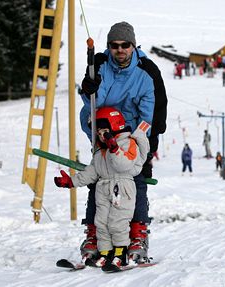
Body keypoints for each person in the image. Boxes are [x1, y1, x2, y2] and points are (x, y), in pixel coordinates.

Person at [79, 21, 167, 264]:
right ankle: (94, 234)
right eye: (114, 45)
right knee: (99, 180)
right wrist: (89, 89)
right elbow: (92, 104)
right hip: (102, 132)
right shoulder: (99, 65)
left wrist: (144, 149)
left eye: (125, 45)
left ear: (133, 45)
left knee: (135, 181)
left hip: (132, 136)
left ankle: (138, 234)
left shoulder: (146, 73)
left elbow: (150, 114)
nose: (120, 50)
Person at [54, 107, 150, 268]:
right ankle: (105, 253)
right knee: (102, 223)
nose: (101, 135)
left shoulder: (128, 143)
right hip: (103, 188)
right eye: (98, 132)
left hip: (122, 187)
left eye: (104, 131)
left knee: (117, 222)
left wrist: (114, 148)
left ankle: (120, 253)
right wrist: (71, 182)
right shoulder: (100, 150)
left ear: (115, 126)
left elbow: (123, 165)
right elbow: (92, 172)